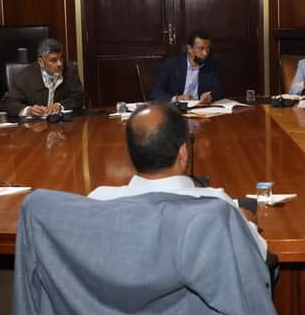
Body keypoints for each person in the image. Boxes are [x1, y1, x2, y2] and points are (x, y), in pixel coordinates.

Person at [87, 102, 266, 259]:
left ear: (131, 152)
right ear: (183, 153)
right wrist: (247, 222)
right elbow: (256, 257)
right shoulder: (217, 206)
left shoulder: (97, 201)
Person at [1, 38, 85, 118]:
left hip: (62, 123)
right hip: (34, 125)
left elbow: (79, 97)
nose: (60, 64)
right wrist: (28, 110)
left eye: (61, 58)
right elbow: (8, 103)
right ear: (41, 62)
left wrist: (60, 105)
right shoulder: (24, 76)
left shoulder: (70, 70)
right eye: (53, 60)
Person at [151, 29, 223, 104]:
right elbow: (156, 92)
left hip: (200, 108)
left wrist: (210, 96)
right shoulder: (172, 64)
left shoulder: (211, 65)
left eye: (207, 48)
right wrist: (176, 98)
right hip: (176, 107)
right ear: (189, 49)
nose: (205, 53)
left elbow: (217, 91)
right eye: (201, 48)